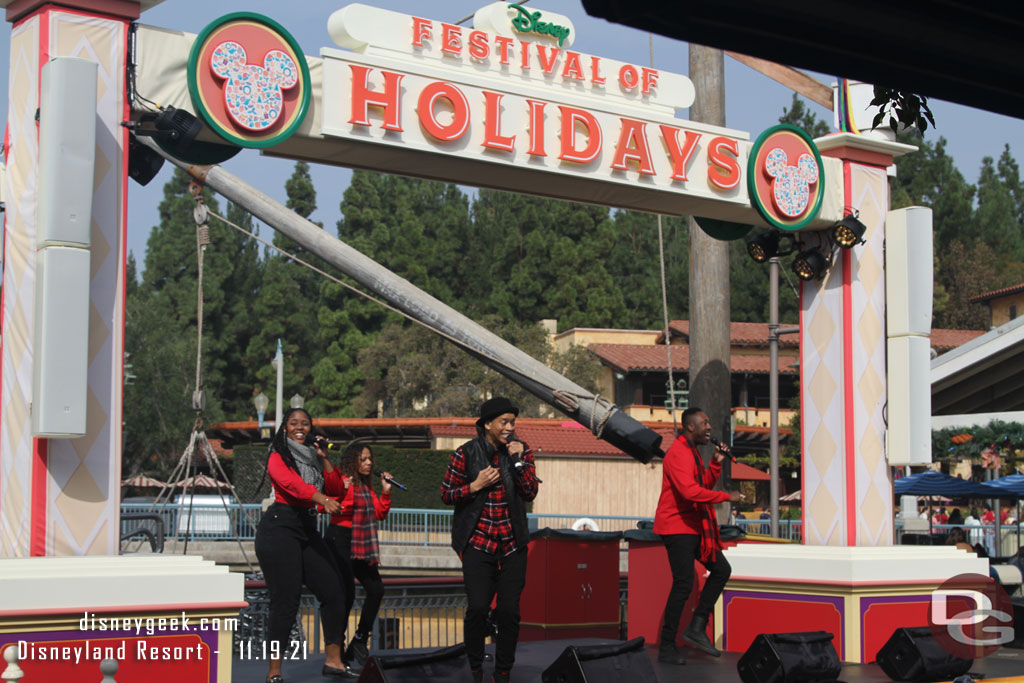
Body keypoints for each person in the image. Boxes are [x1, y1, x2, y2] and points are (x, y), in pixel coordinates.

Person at [441, 397, 540, 683]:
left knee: (509, 611)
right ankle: (474, 668)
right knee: (478, 609)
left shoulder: (521, 452)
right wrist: (475, 486)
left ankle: (503, 672)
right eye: (504, 422)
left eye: (513, 422)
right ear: (487, 424)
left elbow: (530, 492)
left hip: (512, 544)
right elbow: (446, 494)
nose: (510, 427)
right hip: (478, 544)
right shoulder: (465, 453)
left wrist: (519, 461)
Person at [254, 407, 356, 682]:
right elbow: (291, 485)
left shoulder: (313, 455)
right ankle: (274, 671)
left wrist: (324, 459)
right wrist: (319, 499)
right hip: (280, 528)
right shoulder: (277, 455)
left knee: (335, 591)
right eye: (294, 423)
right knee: (286, 601)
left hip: (306, 527)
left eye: (306, 424)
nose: (300, 427)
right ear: (285, 427)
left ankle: (334, 660)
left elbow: (335, 489)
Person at [654, 407, 742, 665]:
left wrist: (715, 463)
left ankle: (696, 626)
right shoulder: (677, 453)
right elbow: (691, 492)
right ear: (690, 426)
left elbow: (703, 484)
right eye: (705, 423)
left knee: (721, 570)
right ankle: (667, 647)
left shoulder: (691, 452)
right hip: (676, 526)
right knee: (683, 584)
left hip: (692, 526)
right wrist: (727, 496)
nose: (709, 428)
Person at [323, 443, 393, 670]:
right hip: (340, 538)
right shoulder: (343, 481)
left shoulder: (366, 487)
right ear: (353, 461)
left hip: (360, 544)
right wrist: (341, 491)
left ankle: (360, 640)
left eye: (370, 459)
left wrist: (386, 491)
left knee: (376, 589)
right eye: (363, 459)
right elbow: (327, 505)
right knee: (345, 596)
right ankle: (338, 651)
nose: (369, 463)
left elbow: (379, 513)